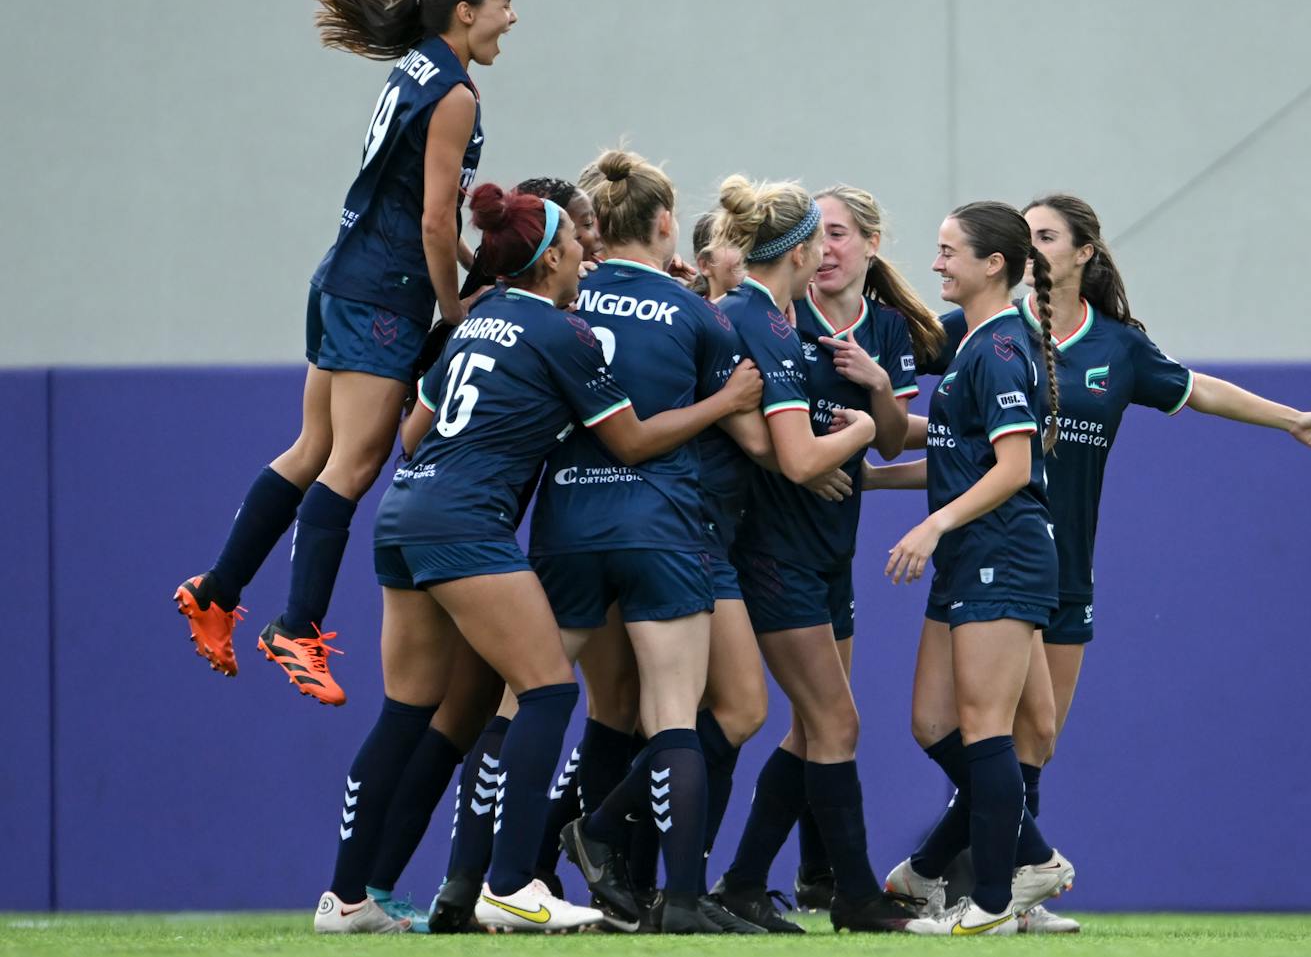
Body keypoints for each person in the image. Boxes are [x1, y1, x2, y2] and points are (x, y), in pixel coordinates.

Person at [879, 193, 1311, 933]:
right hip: (989, 550)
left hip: (1050, 564)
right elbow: (935, 419)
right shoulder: (987, 333)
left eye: (1048, 237)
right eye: (1026, 235)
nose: (1035, 250)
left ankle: (989, 885)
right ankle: (988, 873)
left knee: (1027, 738)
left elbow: (1203, 390)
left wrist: (1290, 417)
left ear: (1083, 253)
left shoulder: (1113, 348)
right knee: (972, 728)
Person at [314, 182, 762, 933]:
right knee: (548, 689)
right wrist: (725, 400)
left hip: (403, 513)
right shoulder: (560, 332)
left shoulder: (477, 320)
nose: (588, 250)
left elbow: (414, 436)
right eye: (577, 241)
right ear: (551, 255)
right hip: (469, 523)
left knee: (405, 712)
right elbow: (633, 440)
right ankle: (513, 882)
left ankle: (346, 896)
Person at [174, 0, 517, 705]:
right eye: (503, 2)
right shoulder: (457, 92)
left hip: (341, 274)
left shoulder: (415, 67)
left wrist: (478, 263)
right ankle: (296, 627)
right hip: (384, 294)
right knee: (354, 465)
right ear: (467, 10)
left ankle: (219, 589)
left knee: (312, 449)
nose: (511, 16)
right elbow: (432, 219)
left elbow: (416, 210)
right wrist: (458, 308)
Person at [529, 150, 771, 934]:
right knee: (671, 715)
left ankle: (495, 880)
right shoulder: (700, 314)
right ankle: (685, 897)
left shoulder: (559, 297)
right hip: (661, 527)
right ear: (667, 224)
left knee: (541, 704)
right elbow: (765, 444)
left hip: (564, 523)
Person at [710, 184, 944, 930]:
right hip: (774, 546)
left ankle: (743, 881)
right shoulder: (777, 319)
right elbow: (791, 448)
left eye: (845, 234)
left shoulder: (887, 330)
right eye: (824, 234)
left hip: (830, 548)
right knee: (832, 722)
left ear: (872, 244)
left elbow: (887, 433)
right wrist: (848, 439)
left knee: (813, 727)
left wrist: (879, 389)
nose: (831, 249)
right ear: (801, 249)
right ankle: (852, 894)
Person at [874, 201, 1076, 936]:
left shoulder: (997, 349)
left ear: (995, 265)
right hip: (971, 552)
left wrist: (932, 522)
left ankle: (990, 901)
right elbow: (962, 456)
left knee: (987, 725)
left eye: (949, 250)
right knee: (932, 721)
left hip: (1003, 551)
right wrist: (868, 476)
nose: (937, 263)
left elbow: (1015, 467)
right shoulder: (974, 344)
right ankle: (1033, 856)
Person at [689, 211, 745, 299]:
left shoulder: (768, 309)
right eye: (733, 242)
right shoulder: (685, 310)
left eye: (750, 240)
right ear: (705, 265)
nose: (747, 249)